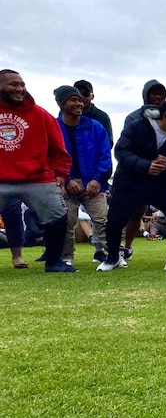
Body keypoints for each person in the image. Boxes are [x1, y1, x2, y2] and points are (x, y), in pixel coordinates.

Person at [97, 97, 166, 271]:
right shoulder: (137, 126)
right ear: (165, 116)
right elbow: (121, 152)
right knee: (115, 220)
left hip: (163, 186)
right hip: (131, 183)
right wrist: (146, 166)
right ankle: (112, 258)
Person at [0, 70, 76, 272]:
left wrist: (60, 176)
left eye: (22, 84)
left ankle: (53, 262)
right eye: (13, 85)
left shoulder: (41, 115)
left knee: (58, 214)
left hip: (37, 178)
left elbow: (59, 150)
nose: (19, 89)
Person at [53, 85, 112, 264]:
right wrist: (67, 180)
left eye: (80, 99)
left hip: (93, 182)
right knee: (66, 221)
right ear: (62, 104)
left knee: (103, 220)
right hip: (66, 183)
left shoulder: (96, 127)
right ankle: (66, 258)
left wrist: (97, 179)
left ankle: (114, 254)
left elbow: (105, 154)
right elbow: (51, 156)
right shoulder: (54, 127)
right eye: (74, 99)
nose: (79, 103)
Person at [120, 79, 166, 260]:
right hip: (139, 173)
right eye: (154, 93)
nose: (158, 97)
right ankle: (127, 247)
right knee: (135, 212)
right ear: (146, 95)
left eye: (161, 93)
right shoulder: (133, 118)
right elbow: (126, 148)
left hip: (163, 173)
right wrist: (144, 165)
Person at [73, 80, 114, 146]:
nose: (82, 97)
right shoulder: (65, 114)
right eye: (78, 94)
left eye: (86, 94)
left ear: (92, 96)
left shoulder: (102, 117)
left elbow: (108, 143)